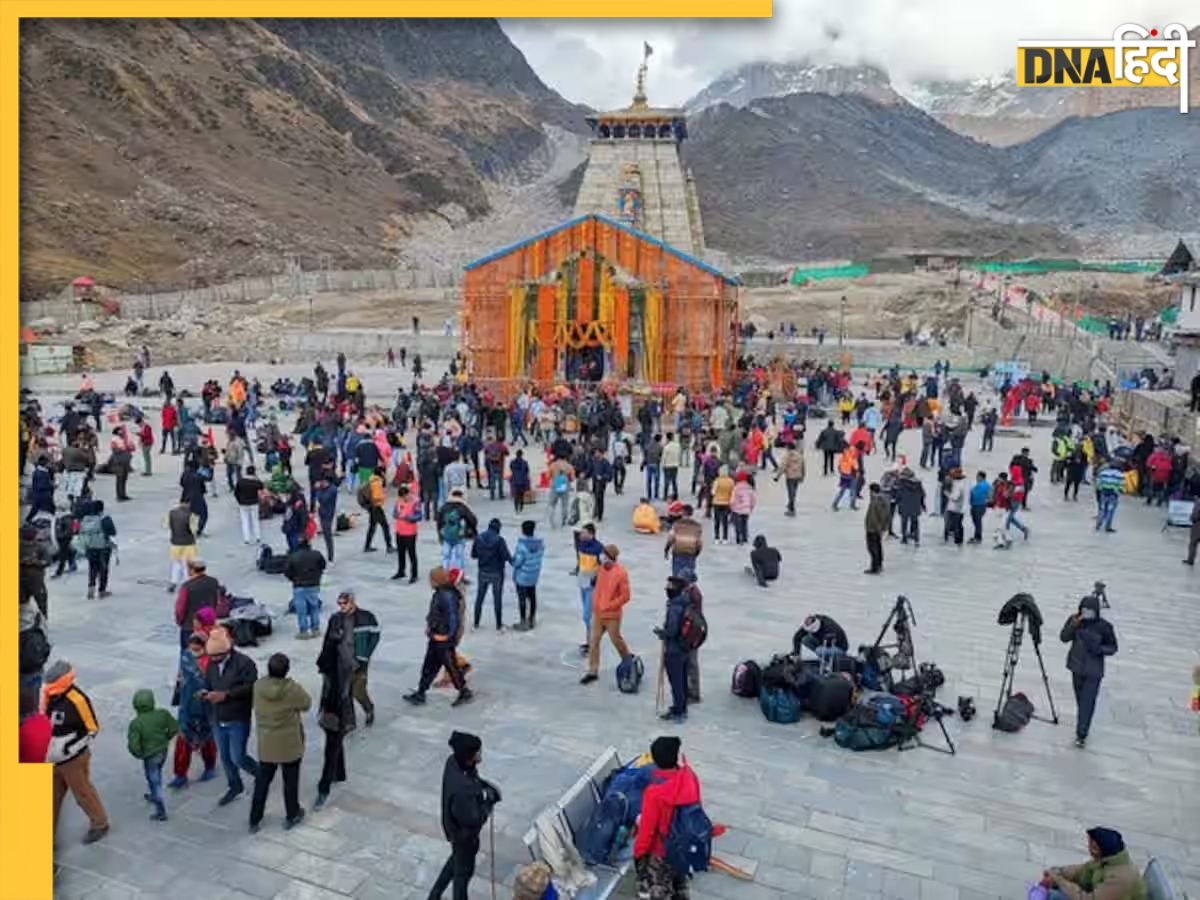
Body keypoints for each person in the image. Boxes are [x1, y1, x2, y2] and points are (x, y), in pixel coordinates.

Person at [44, 660, 110, 843]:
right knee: (50, 798)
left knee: (82, 793)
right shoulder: (49, 695)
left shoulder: (77, 699)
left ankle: (100, 823)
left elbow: (92, 728)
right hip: (52, 757)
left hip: (73, 758)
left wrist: (69, 747)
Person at [430, 731, 502, 900]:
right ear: (469, 756)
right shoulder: (463, 791)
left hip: (456, 833)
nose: (480, 754)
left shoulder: (454, 762)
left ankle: (434, 896)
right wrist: (489, 803)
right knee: (462, 875)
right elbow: (473, 819)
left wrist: (484, 787)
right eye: (478, 752)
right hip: (464, 837)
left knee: (455, 862)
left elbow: (472, 778)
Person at [633, 736, 701, 900]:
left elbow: (647, 831)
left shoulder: (654, 793)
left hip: (661, 852)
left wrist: (638, 853)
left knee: (659, 891)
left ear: (655, 760)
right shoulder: (690, 777)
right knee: (680, 886)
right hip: (683, 847)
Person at [250, 653, 312, 832]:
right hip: (289, 744)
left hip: (267, 743)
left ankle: (254, 818)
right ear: (287, 670)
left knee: (262, 782)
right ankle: (292, 814)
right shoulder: (291, 689)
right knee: (290, 781)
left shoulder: (259, 685)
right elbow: (306, 704)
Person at [202, 626, 260, 805]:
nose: (213, 660)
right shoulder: (211, 664)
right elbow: (208, 683)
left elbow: (252, 687)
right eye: (211, 657)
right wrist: (205, 693)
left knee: (238, 756)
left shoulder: (245, 664)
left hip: (237, 718)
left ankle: (260, 773)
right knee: (225, 757)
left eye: (217, 657)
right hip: (217, 718)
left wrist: (226, 695)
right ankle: (235, 785)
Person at [404, 568, 473, 707]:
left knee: (451, 665)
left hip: (443, 639)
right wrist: (430, 626)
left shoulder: (447, 595)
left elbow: (453, 618)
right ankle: (421, 691)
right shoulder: (440, 593)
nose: (429, 582)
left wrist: (447, 636)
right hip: (436, 636)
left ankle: (464, 691)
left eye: (431, 579)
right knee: (429, 665)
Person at [1060, 593, 1118, 748]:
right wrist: (1074, 624)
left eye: (1090, 611)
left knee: (1088, 702)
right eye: (1084, 610)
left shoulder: (1104, 627)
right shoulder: (1075, 620)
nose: (1087, 614)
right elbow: (1064, 637)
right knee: (1080, 700)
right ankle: (1083, 723)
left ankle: (1081, 734)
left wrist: (1099, 649)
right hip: (1076, 667)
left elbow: (1113, 647)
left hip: (1094, 671)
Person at [314, 603, 357, 811]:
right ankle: (339, 773)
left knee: (332, 743)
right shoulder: (339, 661)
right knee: (334, 740)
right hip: (336, 702)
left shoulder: (337, 664)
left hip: (337, 706)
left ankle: (325, 785)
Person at [1041, 827, 1147, 900]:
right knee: (1054, 888)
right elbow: (1081, 871)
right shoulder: (1107, 860)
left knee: (1054, 896)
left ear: (1100, 849)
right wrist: (1058, 872)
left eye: (1093, 846)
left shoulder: (1120, 878)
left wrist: (1059, 881)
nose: (1089, 849)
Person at [169, 633, 217, 789]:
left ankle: (210, 767)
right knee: (183, 740)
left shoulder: (211, 662)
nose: (194, 653)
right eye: (192, 649)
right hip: (187, 705)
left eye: (198, 650)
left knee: (207, 738)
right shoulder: (185, 657)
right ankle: (180, 775)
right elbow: (181, 677)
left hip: (205, 707)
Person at [580, 545, 632, 685]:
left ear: (610, 557)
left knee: (616, 640)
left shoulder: (621, 573)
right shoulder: (601, 569)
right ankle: (593, 671)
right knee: (593, 641)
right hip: (598, 614)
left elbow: (625, 596)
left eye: (603, 554)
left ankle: (628, 662)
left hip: (612, 616)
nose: (601, 557)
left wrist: (609, 605)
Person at [126, 688, 179, 822]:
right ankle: (155, 795)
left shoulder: (136, 724)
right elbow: (174, 728)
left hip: (149, 755)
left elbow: (134, 745)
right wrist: (166, 738)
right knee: (157, 772)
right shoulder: (162, 714)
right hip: (163, 751)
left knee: (154, 780)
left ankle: (160, 810)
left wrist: (140, 754)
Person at [334, 591, 380, 726]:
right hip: (343, 661)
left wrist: (365, 655)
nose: (341, 606)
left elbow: (375, 636)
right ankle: (349, 721)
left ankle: (369, 708)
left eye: (344, 603)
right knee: (344, 692)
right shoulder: (337, 618)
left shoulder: (367, 617)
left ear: (352, 602)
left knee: (358, 691)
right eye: (339, 603)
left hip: (360, 661)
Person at [655, 579, 693, 723]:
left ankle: (679, 711)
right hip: (684, 648)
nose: (667, 588)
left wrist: (662, 633)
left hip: (674, 649)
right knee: (682, 680)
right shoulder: (685, 603)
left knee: (676, 681)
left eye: (670, 586)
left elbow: (672, 630)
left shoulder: (675, 607)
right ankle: (682, 707)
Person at [471, 518, 513, 630]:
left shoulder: (479, 538)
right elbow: (507, 557)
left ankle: (476, 623)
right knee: (497, 599)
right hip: (497, 573)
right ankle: (498, 625)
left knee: (479, 598)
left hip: (483, 572)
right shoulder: (500, 540)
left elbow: (473, 555)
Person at [284, 537, 326, 639]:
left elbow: (287, 571)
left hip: (299, 586)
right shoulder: (317, 554)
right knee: (314, 607)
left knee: (301, 610)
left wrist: (293, 579)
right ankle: (315, 629)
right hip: (314, 585)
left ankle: (304, 632)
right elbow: (323, 565)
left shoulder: (293, 556)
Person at [174, 557, 220, 649]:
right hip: (208, 624)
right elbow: (216, 601)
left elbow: (180, 608)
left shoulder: (187, 586)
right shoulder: (213, 582)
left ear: (191, 570)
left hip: (189, 625)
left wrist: (180, 621)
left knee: (189, 654)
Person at [78, 499, 117, 600]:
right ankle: (102, 590)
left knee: (92, 568)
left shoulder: (85, 519)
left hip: (90, 546)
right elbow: (113, 532)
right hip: (103, 547)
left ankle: (91, 588)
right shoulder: (104, 518)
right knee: (103, 568)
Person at [511, 520, 544, 631]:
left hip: (522, 576)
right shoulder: (540, 544)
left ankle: (523, 621)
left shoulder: (521, 546)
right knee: (532, 596)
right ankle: (532, 619)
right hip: (533, 575)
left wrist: (513, 561)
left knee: (522, 599)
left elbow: (518, 562)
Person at [438, 487, 478, 572]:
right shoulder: (462, 507)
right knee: (459, 557)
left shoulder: (444, 507)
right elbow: (473, 520)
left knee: (446, 556)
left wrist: (440, 535)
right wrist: (470, 530)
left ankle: (445, 573)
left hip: (446, 535)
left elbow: (439, 521)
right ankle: (459, 575)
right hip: (459, 535)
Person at [663, 504, 703, 582]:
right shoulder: (697, 526)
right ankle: (688, 590)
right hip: (690, 552)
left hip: (678, 551)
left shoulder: (677, 524)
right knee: (688, 574)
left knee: (677, 574)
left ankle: (678, 590)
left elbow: (671, 538)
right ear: (692, 513)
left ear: (682, 512)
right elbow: (699, 542)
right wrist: (696, 553)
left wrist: (666, 550)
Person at [392, 482, 421, 582]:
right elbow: (394, 513)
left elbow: (419, 516)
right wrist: (397, 515)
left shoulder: (415, 502)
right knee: (401, 553)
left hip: (410, 532)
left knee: (412, 554)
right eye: (402, 496)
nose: (403, 498)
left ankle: (414, 574)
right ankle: (401, 571)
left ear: (408, 494)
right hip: (399, 530)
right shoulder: (398, 501)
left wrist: (408, 517)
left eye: (405, 496)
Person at [362, 466, 392, 553]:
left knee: (372, 526)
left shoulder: (371, 479)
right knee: (385, 526)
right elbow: (376, 496)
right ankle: (389, 546)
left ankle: (367, 546)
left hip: (371, 507)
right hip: (376, 507)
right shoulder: (377, 482)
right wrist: (382, 498)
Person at [864, 483, 890, 574]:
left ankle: (875, 567)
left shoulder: (877, 501)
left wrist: (878, 526)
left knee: (872, 548)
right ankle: (878, 564)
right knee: (877, 547)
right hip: (876, 528)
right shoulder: (882, 499)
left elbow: (880, 515)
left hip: (873, 528)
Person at [234, 465, 264, 545]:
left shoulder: (241, 481)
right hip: (254, 503)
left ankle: (246, 538)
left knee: (245, 521)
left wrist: (239, 501)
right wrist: (257, 477)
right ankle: (258, 536)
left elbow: (236, 493)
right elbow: (261, 486)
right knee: (255, 520)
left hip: (243, 503)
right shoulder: (255, 482)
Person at [1095, 458, 1124, 533]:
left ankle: (1098, 524)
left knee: (1102, 509)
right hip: (1113, 494)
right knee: (1110, 510)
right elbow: (1120, 485)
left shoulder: (1103, 473)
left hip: (1104, 493)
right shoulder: (1120, 475)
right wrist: (1119, 490)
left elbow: (1098, 483)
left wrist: (1100, 489)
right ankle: (1108, 526)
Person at [776, 441, 805, 516]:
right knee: (794, 492)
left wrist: (777, 476)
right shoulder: (799, 455)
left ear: (788, 447)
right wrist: (803, 476)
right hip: (798, 476)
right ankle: (790, 504)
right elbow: (803, 466)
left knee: (790, 493)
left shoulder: (788, 455)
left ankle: (791, 508)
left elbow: (783, 466)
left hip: (790, 476)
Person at [729, 471, 756, 545]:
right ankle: (744, 538)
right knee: (744, 524)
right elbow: (753, 500)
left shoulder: (736, 488)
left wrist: (731, 507)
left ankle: (738, 537)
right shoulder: (750, 488)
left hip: (737, 509)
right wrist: (751, 508)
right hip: (746, 509)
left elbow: (732, 499)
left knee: (738, 524)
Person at [943, 468, 966, 545]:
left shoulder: (958, 485)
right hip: (958, 508)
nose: (951, 476)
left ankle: (957, 540)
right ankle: (958, 540)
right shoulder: (963, 483)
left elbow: (955, 497)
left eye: (952, 474)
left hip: (955, 508)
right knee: (958, 524)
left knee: (953, 525)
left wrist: (947, 494)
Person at [968, 471, 990, 543]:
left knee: (977, 521)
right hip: (975, 505)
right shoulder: (978, 485)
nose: (976, 478)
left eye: (977, 476)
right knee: (976, 521)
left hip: (980, 505)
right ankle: (977, 535)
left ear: (981, 477)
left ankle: (978, 537)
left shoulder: (985, 485)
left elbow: (989, 495)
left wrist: (987, 501)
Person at [509, 448, 531, 514]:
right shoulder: (524, 462)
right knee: (521, 495)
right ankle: (521, 507)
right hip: (522, 481)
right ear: (522, 455)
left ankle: (516, 509)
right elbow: (527, 471)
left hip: (515, 480)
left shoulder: (512, 462)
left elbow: (511, 469)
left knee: (516, 496)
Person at [1183, 500, 1200, 566]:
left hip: (1198, 526)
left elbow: (1195, 515)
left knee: (1193, 543)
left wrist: (1192, 518)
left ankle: (1190, 560)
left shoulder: (1198, 503)